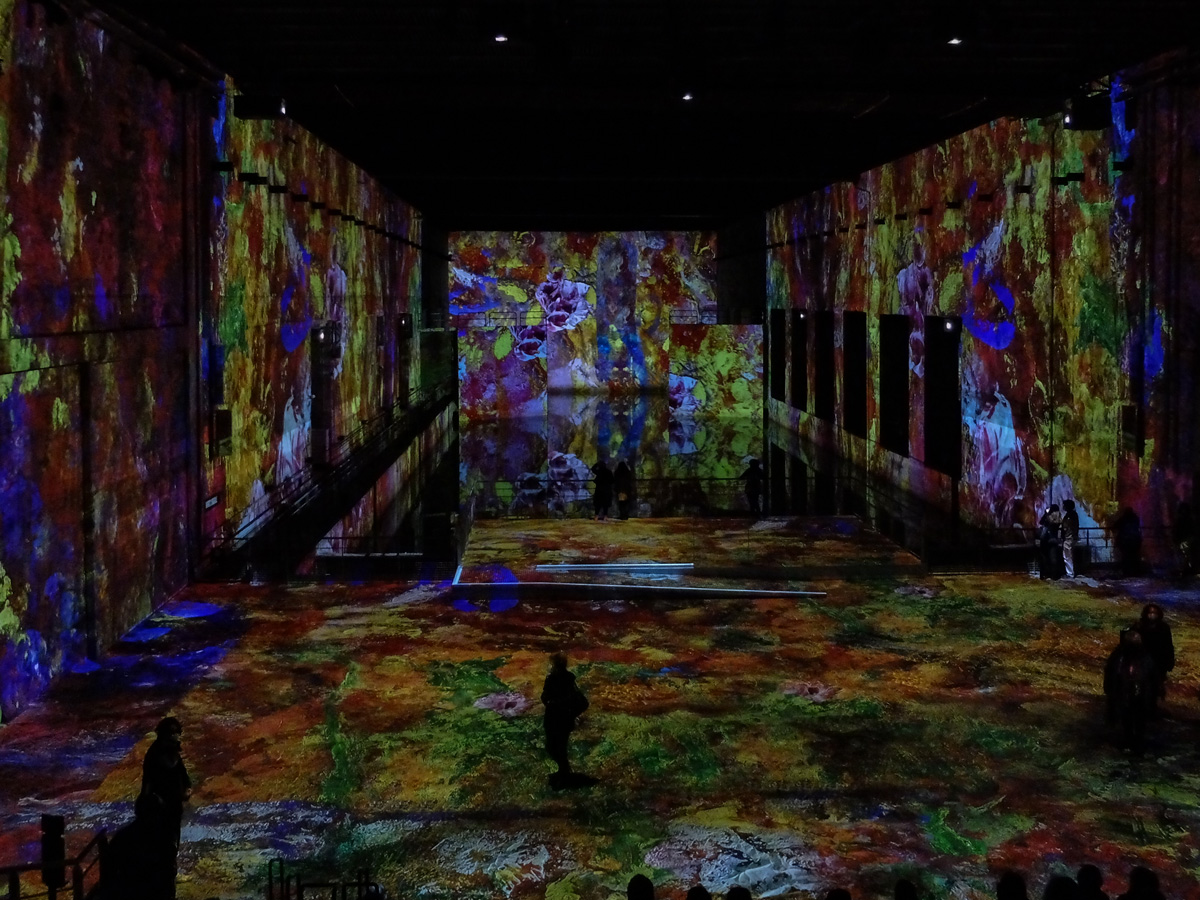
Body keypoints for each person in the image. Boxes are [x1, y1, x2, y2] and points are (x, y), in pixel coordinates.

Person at [100, 792, 178, 900]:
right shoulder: (166, 837)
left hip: (129, 891)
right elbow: (169, 870)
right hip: (155, 892)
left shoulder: (122, 837)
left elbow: (109, 870)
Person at [140, 716, 192, 851]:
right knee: (163, 843)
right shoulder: (156, 754)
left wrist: (187, 787)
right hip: (161, 807)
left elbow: (182, 772)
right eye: (173, 733)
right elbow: (150, 781)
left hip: (173, 805)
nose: (176, 736)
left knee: (172, 840)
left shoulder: (173, 752)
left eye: (177, 732)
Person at [1103, 629, 1156, 755]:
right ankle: (1129, 741)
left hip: (1140, 694)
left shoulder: (1145, 657)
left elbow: (1152, 676)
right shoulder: (1119, 657)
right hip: (1124, 693)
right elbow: (1110, 673)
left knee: (1139, 720)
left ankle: (1138, 743)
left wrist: (1152, 693)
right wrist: (1110, 690)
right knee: (1126, 719)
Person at [541, 653, 588, 787]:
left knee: (554, 747)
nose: (549, 666)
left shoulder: (553, 679)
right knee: (558, 746)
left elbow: (545, 697)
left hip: (555, 718)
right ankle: (564, 771)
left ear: (555, 665)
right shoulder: (568, 679)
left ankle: (564, 773)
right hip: (564, 719)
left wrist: (553, 703)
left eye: (551, 664)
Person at [1136, 603, 1174, 715]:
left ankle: (1152, 708)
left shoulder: (1164, 628)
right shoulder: (1139, 626)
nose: (1152, 615)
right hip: (1142, 661)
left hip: (1159, 662)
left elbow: (1168, 645)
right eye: (1150, 613)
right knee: (1142, 685)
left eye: (1154, 613)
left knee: (1156, 686)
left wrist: (1170, 661)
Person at [1113, 508, 1142, 577]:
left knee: (1126, 556)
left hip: (1125, 540)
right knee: (1134, 556)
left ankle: (1127, 571)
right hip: (1135, 540)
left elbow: (1115, 525)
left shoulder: (1123, 519)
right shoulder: (1135, 518)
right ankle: (1135, 571)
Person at [1038, 504, 1062, 579]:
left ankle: (1049, 574)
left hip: (1049, 539)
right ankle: (1051, 574)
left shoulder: (1054, 515)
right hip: (1050, 539)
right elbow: (1041, 522)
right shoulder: (1056, 516)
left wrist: (1047, 514)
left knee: (1050, 558)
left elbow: (1052, 522)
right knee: (1049, 557)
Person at [1173, 501, 1194, 580]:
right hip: (1183, 540)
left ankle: (1185, 570)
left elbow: (1177, 530)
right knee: (1183, 555)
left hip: (1185, 540)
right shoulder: (1184, 520)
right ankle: (1184, 569)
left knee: (1184, 555)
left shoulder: (1184, 520)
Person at [1060, 499, 1080, 578]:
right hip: (1070, 538)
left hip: (1069, 538)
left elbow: (1067, 527)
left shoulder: (1070, 515)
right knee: (1068, 555)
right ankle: (1070, 572)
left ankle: (1070, 573)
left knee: (1068, 556)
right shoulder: (1072, 515)